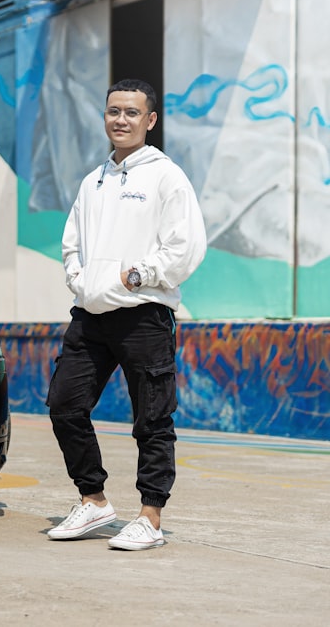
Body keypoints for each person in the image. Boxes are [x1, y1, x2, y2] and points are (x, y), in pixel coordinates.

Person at [45, 78, 207, 550]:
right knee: (64, 405)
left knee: (152, 419)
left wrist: (136, 276)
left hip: (143, 316)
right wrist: (82, 280)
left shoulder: (166, 176)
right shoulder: (93, 180)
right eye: (114, 111)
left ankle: (150, 518)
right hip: (90, 315)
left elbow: (186, 245)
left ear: (150, 121)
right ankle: (93, 501)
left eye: (132, 113)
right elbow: (72, 243)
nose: (121, 120)